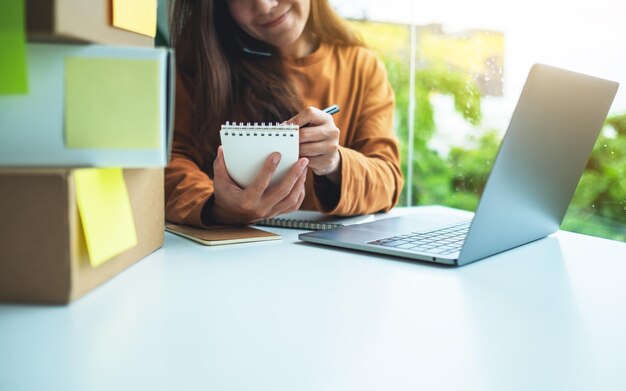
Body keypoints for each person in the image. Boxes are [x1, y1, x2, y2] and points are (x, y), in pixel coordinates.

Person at [166, 0, 403, 226]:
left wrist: (335, 163)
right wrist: (217, 206)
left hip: (329, 258)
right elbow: (167, 163)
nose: (264, 6)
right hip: (228, 252)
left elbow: (387, 181)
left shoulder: (361, 68)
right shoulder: (201, 67)